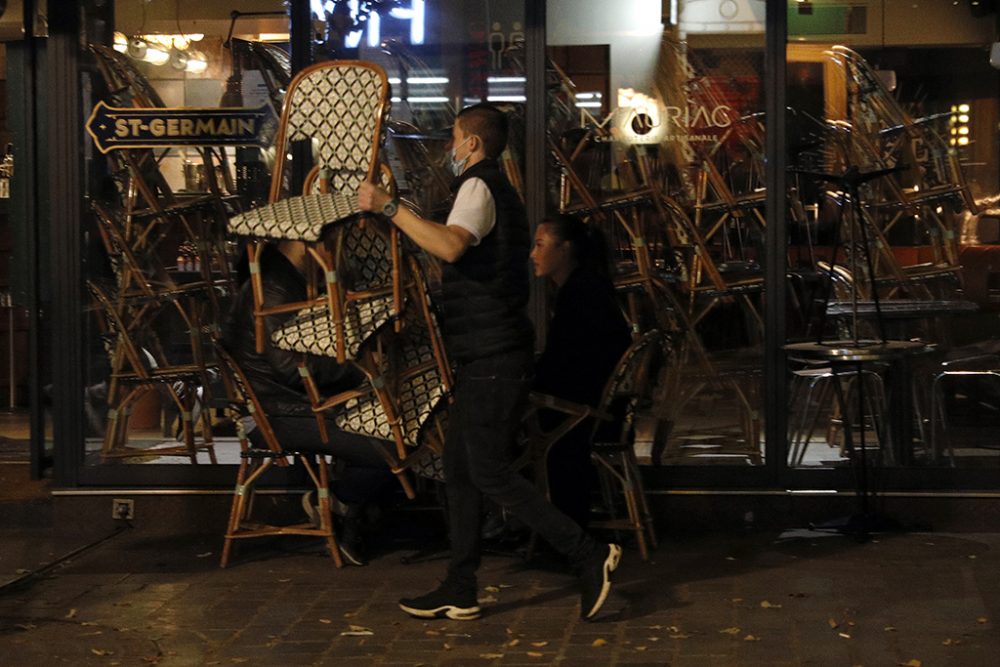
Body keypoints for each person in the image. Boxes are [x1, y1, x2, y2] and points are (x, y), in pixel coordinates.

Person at [358, 103, 621, 621]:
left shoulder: (477, 186)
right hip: (485, 354)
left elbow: (451, 247)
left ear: (472, 144)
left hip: (494, 357)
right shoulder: (487, 188)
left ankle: (589, 554)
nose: (449, 148)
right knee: (460, 472)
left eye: (454, 138)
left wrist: (391, 208)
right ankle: (461, 585)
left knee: (490, 473)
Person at [223, 240, 393, 566]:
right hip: (277, 412)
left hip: (292, 404)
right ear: (306, 243)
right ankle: (335, 505)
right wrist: (360, 367)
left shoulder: (285, 281)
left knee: (393, 426)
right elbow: (291, 369)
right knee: (389, 443)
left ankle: (347, 516)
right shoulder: (272, 289)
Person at [531, 215, 631, 528]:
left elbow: (564, 361)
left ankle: (554, 528)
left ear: (565, 249)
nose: (533, 254)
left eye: (540, 245)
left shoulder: (579, 294)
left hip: (587, 414)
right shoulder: (589, 286)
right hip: (602, 406)